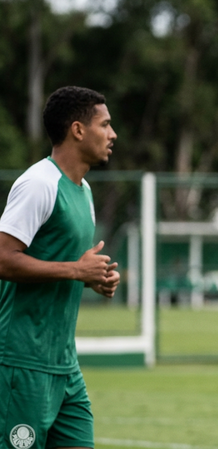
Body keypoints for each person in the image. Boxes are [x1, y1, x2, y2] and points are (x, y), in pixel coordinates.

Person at [0, 86, 120, 449]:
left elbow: (61, 263)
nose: (113, 134)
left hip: (65, 365)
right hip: (21, 362)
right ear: (78, 130)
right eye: (105, 124)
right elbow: (4, 257)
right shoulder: (38, 183)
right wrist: (75, 271)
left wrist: (93, 279)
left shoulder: (82, 190)